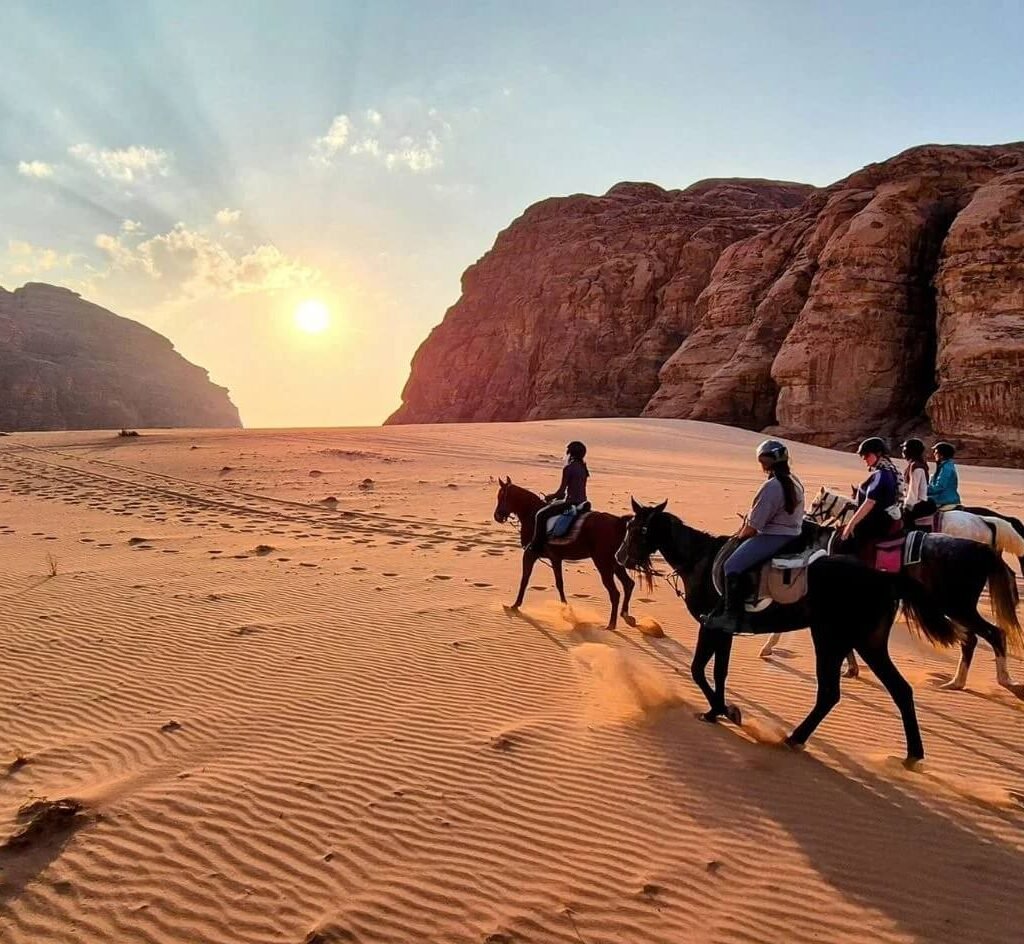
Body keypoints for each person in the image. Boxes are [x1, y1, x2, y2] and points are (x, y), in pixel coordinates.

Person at [703, 439, 804, 634]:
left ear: (765, 462)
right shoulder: (795, 481)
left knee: (731, 565)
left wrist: (739, 536)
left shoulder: (772, 486)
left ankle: (730, 617)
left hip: (774, 537)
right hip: (793, 535)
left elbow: (754, 526)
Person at [840, 437, 904, 552]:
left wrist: (851, 524)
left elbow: (870, 502)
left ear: (878, 453)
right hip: (889, 516)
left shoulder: (881, 473)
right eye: (863, 456)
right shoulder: (892, 469)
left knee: (850, 537)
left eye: (867, 455)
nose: (864, 459)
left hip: (880, 519)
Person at [528, 441, 589, 554]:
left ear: (571, 453)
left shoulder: (569, 468)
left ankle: (536, 547)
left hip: (571, 503)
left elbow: (561, 493)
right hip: (583, 502)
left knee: (541, 515)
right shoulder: (583, 468)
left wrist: (550, 497)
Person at [900, 438, 931, 518]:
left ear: (910, 450)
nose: (903, 451)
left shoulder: (916, 467)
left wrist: (907, 507)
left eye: (904, 448)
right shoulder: (915, 465)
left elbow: (913, 490)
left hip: (917, 504)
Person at [928, 441, 961, 509]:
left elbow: (939, 487)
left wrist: (923, 490)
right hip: (943, 498)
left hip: (944, 500)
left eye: (936, 452)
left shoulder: (946, 468)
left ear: (941, 455)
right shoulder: (945, 466)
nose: (934, 454)